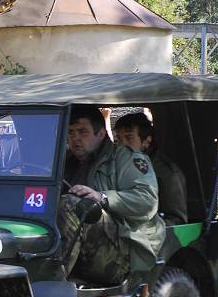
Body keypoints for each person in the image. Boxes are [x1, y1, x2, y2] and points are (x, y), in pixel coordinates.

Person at [58, 106, 165, 285]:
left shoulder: (125, 158)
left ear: (101, 133)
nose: (75, 138)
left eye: (83, 132)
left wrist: (102, 197)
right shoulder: (65, 162)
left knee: (72, 204)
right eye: (70, 132)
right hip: (85, 246)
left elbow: (147, 200)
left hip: (124, 250)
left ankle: (52, 280)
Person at [114, 112, 188, 225]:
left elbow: (177, 221)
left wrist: (145, 228)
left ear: (146, 142)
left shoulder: (166, 174)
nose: (122, 143)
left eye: (129, 137)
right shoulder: (115, 165)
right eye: (119, 138)